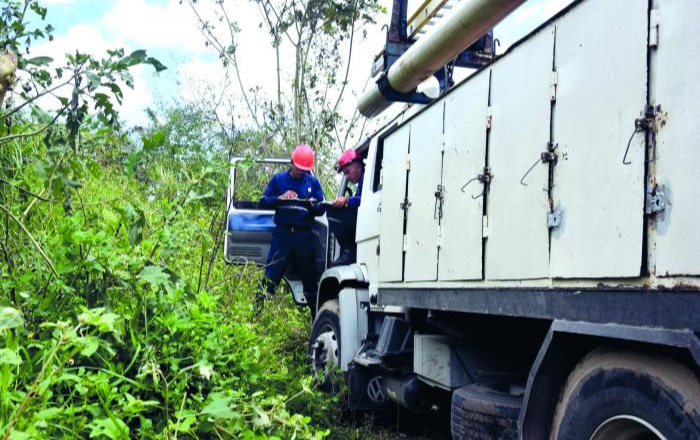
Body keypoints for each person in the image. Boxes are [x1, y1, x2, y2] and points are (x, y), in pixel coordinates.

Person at [257, 144, 325, 315]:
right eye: (299, 167)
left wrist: (312, 205)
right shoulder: (279, 180)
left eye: (304, 169)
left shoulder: (313, 182)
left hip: (304, 237)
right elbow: (263, 201)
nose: (301, 172)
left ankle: (316, 321)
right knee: (270, 277)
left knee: (310, 281)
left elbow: (322, 208)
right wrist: (279, 198)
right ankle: (256, 318)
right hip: (283, 236)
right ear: (292, 162)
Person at [328, 149, 364, 267]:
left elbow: (364, 199)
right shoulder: (362, 181)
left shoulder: (367, 178)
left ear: (358, 166)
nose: (347, 177)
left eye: (348, 172)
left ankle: (349, 251)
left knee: (332, 213)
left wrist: (347, 200)